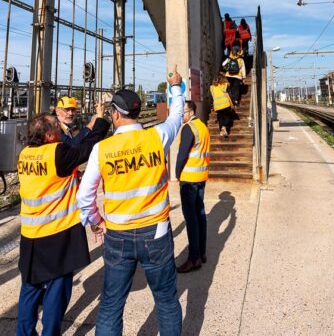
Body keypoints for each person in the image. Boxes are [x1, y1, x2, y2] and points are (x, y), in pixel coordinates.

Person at [77, 65, 184, 336]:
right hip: (156, 233)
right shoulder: (156, 137)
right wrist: (175, 86)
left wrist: (95, 221)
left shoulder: (102, 149)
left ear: (114, 114)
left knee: (112, 304)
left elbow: (85, 196)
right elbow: (177, 115)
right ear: (137, 111)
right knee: (167, 301)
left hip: (118, 235)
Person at [16, 104, 109, 336]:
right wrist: (100, 121)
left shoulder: (25, 153)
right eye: (57, 127)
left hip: (30, 234)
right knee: (57, 289)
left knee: (30, 287)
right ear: (49, 135)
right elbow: (86, 148)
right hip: (57, 234)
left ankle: (24, 333)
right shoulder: (57, 153)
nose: (60, 130)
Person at [175, 101, 210, 273]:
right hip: (201, 176)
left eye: (183, 113)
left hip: (189, 179)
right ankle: (202, 252)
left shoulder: (188, 128)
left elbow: (182, 155)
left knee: (191, 219)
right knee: (200, 215)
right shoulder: (202, 127)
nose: (182, 116)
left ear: (191, 112)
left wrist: (176, 173)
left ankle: (193, 258)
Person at [210, 73, 234, 137]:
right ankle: (224, 126)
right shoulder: (225, 85)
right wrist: (231, 103)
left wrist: (212, 106)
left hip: (217, 106)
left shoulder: (212, 87)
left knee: (220, 117)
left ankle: (221, 131)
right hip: (225, 104)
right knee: (227, 116)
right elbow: (229, 95)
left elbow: (212, 97)